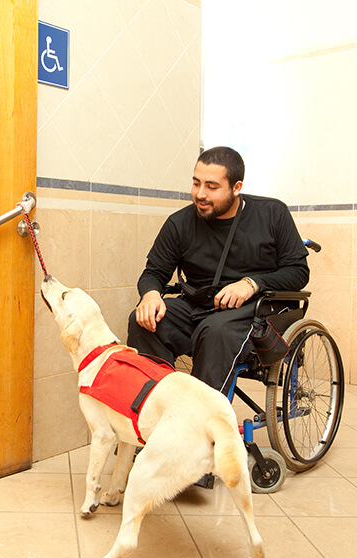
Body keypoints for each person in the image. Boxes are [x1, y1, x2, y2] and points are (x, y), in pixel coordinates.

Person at [127, 146, 309, 394]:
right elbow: (153, 273)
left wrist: (250, 284)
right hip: (199, 307)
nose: (200, 194)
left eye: (212, 187)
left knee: (215, 331)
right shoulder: (179, 223)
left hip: (256, 310)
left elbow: (298, 271)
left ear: (236, 188)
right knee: (144, 321)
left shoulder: (273, 214)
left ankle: (202, 422)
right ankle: (157, 405)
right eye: (196, 183)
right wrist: (150, 295)